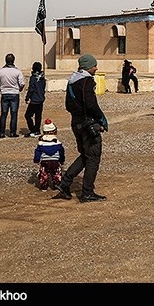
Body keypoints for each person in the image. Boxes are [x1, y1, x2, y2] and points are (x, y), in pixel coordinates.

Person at [54, 53, 108, 203]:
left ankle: (64, 184)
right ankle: (87, 192)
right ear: (87, 67)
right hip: (88, 125)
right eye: (94, 65)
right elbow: (91, 104)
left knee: (85, 155)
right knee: (93, 157)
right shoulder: (86, 82)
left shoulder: (72, 81)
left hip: (76, 123)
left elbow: (67, 105)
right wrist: (101, 119)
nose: (96, 68)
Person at [0, 53, 25, 138]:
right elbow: (22, 83)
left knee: (3, 113)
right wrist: (19, 89)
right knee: (14, 114)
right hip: (14, 93)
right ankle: (12, 132)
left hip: (4, 93)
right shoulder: (17, 71)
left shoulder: (0, 71)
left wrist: (0, 88)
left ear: (5, 60)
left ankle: (2, 132)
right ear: (13, 60)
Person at [33, 119, 65, 192]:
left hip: (45, 161)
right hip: (55, 161)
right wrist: (62, 160)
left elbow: (37, 152)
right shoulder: (58, 144)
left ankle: (44, 187)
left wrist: (36, 160)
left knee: (44, 174)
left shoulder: (41, 144)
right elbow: (61, 153)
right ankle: (56, 185)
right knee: (56, 173)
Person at [24, 62, 46, 137]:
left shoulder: (33, 78)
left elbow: (31, 89)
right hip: (41, 99)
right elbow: (43, 88)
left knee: (28, 115)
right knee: (38, 115)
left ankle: (32, 130)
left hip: (34, 100)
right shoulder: (42, 78)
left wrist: (27, 97)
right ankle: (37, 130)